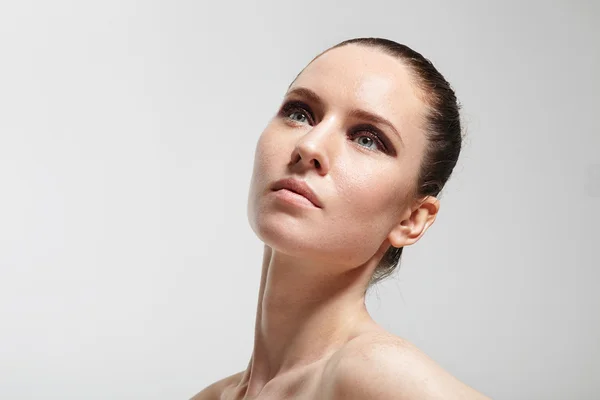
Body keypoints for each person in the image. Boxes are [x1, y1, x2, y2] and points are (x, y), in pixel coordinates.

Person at [191, 37, 490, 399]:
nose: (309, 146)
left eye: (367, 139)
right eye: (299, 113)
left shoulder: (376, 372)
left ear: (411, 219)